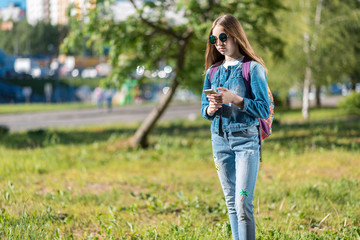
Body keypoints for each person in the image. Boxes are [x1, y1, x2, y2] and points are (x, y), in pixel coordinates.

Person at [201, 14, 270, 240]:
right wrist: (210, 109)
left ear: (236, 36)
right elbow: (204, 110)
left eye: (223, 37)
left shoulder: (253, 68)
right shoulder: (212, 71)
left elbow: (263, 109)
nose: (219, 43)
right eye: (214, 39)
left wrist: (234, 99)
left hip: (245, 141)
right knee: (231, 203)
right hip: (219, 141)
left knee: (242, 203)